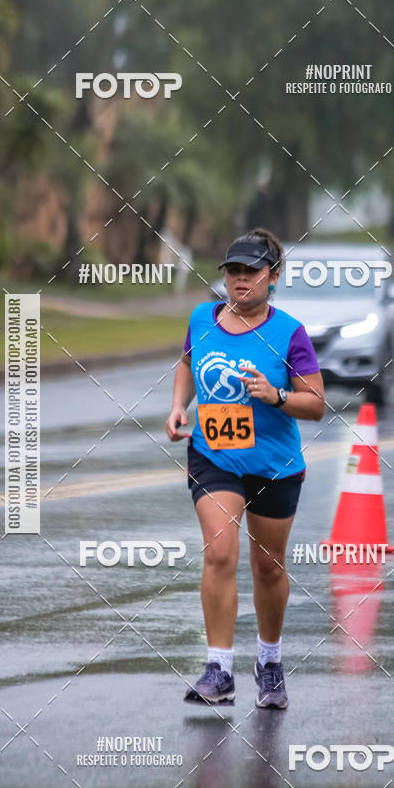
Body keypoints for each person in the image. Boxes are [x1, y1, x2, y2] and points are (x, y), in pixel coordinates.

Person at [165, 227, 325, 708]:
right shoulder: (202, 318)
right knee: (219, 553)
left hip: (274, 464)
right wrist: (178, 407)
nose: (240, 279)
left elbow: (316, 404)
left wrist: (275, 396)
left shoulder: (290, 334)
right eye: (233, 270)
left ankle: (269, 662)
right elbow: (187, 363)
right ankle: (219, 669)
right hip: (214, 456)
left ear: (273, 277)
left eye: (251, 271)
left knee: (268, 567)